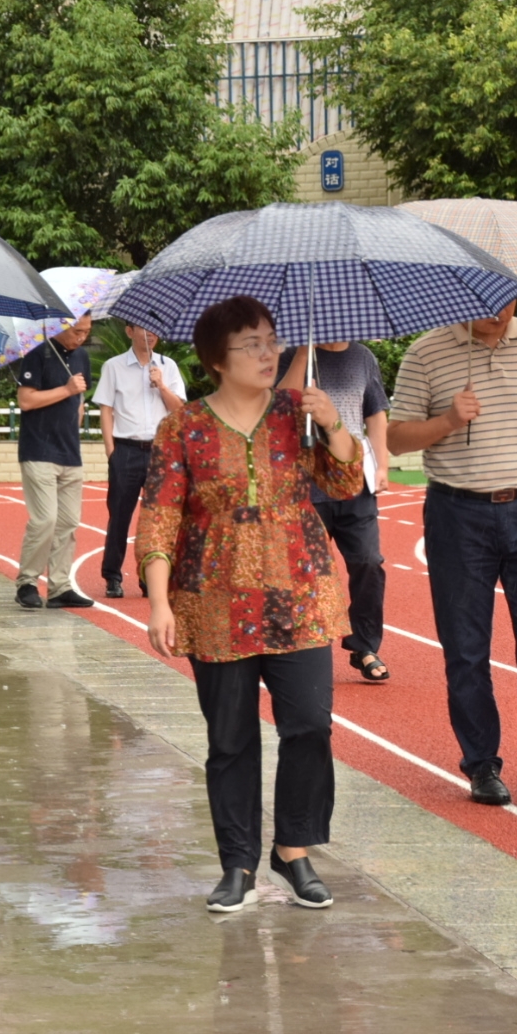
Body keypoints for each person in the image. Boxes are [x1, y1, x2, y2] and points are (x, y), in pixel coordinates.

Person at [138, 296, 361, 914]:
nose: (269, 353)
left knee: (310, 726)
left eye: (271, 340)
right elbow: (158, 518)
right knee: (231, 739)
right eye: (252, 344)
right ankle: (236, 862)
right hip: (214, 600)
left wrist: (336, 425)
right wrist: (158, 603)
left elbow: (346, 483)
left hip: (302, 593)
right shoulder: (182, 428)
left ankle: (294, 850)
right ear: (215, 359)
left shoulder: (299, 413)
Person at [388, 301, 517, 806]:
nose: (499, 313)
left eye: (509, 301)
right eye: (487, 304)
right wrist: (447, 420)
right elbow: (395, 439)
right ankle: (482, 766)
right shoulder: (426, 351)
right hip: (458, 515)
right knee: (465, 649)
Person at [277, 341, 392, 681]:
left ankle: (364, 645)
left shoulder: (363, 357)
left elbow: (375, 412)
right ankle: (302, 644)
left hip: (355, 480)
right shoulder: (289, 355)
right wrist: (301, 354)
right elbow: (278, 408)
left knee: (369, 561)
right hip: (304, 483)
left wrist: (382, 465)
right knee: (304, 570)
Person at [92, 323, 185, 599]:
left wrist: (161, 385)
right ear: (129, 330)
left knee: (158, 519)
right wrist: (111, 451)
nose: (151, 334)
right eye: (144, 328)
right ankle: (112, 576)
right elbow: (106, 410)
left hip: (160, 452)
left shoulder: (168, 366)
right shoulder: (114, 366)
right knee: (119, 516)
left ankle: (150, 578)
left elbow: (179, 409)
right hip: (126, 450)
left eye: (155, 329)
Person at [14, 313, 95, 610]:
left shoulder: (82, 356)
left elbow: (81, 400)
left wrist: (77, 405)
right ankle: (27, 581)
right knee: (45, 519)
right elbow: (26, 400)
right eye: (76, 331)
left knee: (69, 522)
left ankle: (60, 585)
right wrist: (67, 390)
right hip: (38, 450)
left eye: (86, 331)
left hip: (70, 451)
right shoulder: (38, 352)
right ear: (61, 326)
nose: (81, 337)